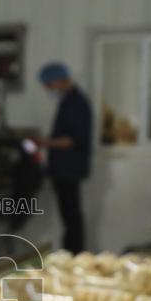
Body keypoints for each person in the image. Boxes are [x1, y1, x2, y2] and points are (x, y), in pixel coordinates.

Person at [35, 62, 92, 254]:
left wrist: (44, 143)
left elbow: (71, 140)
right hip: (64, 169)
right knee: (69, 215)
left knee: (71, 216)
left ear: (59, 81)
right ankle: (71, 252)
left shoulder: (76, 103)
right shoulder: (68, 101)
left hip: (69, 169)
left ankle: (73, 254)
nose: (48, 90)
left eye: (49, 86)